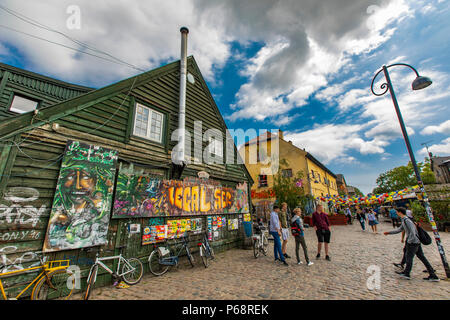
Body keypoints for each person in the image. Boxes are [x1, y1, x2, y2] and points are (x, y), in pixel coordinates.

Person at [384, 207, 439, 281]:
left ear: (400, 212)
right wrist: (389, 233)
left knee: (409, 257)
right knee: (422, 257)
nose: (396, 213)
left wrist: (410, 241)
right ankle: (432, 274)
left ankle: (407, 273)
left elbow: (413, 232)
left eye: (397, 212)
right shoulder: (404, 220)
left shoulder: (407, 220)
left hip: (413, 242)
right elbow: (400, 229)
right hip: (415, 242)